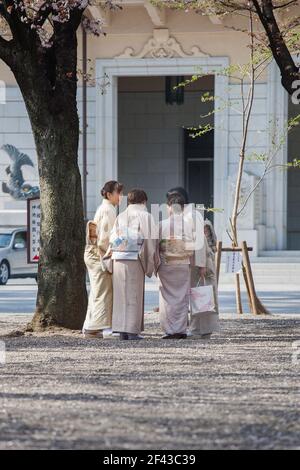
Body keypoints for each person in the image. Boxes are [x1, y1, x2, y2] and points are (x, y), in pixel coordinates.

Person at [110, 189, 158, 340]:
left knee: (120, 294)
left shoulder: (121, 215)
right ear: (144, 201)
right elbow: (151, 241)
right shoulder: (145, 215)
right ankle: (131, 330)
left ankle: (121, 329)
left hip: (118, 258)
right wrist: (151, 262)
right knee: (133, 294)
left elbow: (112, 237)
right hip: (134, 258)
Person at [82, 180, 123, 339]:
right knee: (102, 291)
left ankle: (91, 326)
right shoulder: (108, 210)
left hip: (95, 254)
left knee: (98, 291)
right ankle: (94, 327)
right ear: (109, 194)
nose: (120, 196)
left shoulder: (106, 208)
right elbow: (105, 239)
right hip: (99, 255)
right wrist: (112, 253)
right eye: (118, 192)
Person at [157, 192, 198, 339]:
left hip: (167, 263)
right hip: (183, 263)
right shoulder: (189, 224)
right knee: (182, 297)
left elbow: (156, 245)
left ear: (169, 207)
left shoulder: (162, 225)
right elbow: (194, 245)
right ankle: (181, 330)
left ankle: (169, 330)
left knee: (167, 297)